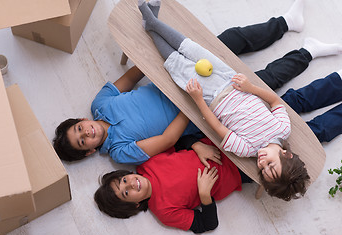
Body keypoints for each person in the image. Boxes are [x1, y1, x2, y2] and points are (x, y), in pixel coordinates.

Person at [137, 0, 342, 199]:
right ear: (286, 154)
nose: (262, 163)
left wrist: (199, 99)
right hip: (232, 80)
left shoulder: (247, 150)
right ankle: (152, 22)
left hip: (210, 95)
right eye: (270, 164)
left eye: (262, 170)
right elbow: (276, 102)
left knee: (175, 63)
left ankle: (151, 24)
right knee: (191, 48)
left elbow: (217, 126)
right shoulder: (283, 130)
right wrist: (251, 88)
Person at [95, 136, 252, 233]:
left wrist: (197, 145)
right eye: (126, 193)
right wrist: (205, 195)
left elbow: (178, 140)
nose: (130, 185)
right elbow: (207, 224)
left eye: (123, 180)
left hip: (220, 139)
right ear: (135, 204)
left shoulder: (146, 163)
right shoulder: (164, 212)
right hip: (239, 171)